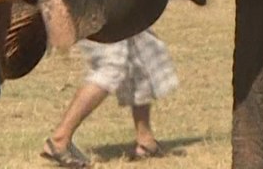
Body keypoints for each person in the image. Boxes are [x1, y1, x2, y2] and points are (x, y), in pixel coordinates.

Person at [42, 32, 179, 167]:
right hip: (98, 14)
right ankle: (59, 140)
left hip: (117, 13)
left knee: (141, 53)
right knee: (110, 65)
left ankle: (146, 141)